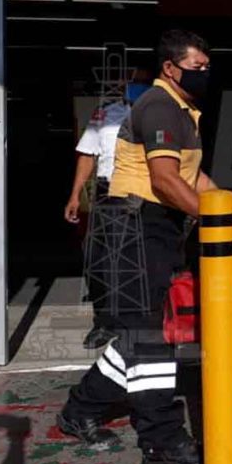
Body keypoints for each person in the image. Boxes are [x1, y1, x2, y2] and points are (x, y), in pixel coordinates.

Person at [57, 30, 217, 464]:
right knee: (150, 339)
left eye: (207, 66)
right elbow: (166, 180)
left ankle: (80, 409)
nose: (205, 73)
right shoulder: (160, 105)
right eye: (197, 67)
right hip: (132, 227)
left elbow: (193, 177)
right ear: (171, 68)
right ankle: (161, 438)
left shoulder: (185, 110)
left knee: (137, 334)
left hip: (155, 228)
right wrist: (214, 219)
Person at [64, 71, 152, 349]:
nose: (132, 86)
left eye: (140, 80)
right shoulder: (105, 114)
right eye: (130, 81)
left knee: (137, 262)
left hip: (143, 191)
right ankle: (104, 322)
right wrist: (75, 194)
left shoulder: (161, 114)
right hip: (107, 192)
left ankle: (136, 323)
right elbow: (88, 154)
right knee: (96, 259)